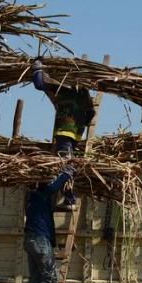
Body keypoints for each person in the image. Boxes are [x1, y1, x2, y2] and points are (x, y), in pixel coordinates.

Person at [14, 164, 76, 283]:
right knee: (50, 279)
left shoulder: (36, 198)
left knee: (36, 280)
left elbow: (57, 197)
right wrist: (66, 174)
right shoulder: (39, 193)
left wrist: (69, 196)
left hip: (34, 240)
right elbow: (52, 187)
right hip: (40, 241)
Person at [32, 58, 94, 210]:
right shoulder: (84, 93)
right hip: (75, 135)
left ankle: (70, 199)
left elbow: (40, 84)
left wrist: (37, 68)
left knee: (65, 165)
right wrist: (82, 123)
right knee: (65, 162)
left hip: (64, 132)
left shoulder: (62, 89)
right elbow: (91, 112)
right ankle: (69, 198)